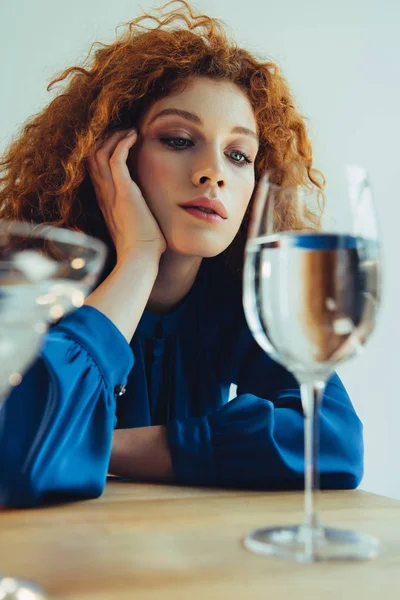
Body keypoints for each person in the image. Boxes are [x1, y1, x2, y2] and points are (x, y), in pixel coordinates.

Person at [0, 0, 363, 508]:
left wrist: (97, 446)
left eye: (238, 155)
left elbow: (335, 442)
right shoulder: (31, 284)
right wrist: (140, 259)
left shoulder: (240, 303)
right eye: (177, 139)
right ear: (112, 158)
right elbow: (15, 454)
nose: (213, 172)